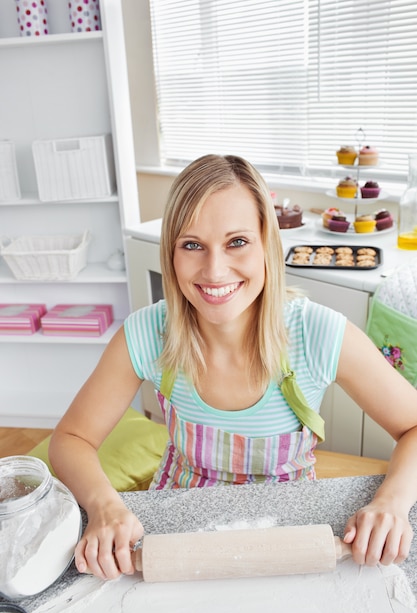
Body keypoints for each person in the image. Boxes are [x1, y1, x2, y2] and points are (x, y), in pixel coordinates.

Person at [49, 154, 417, 581]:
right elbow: (71, 438)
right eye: (192, 245)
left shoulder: (318, 333)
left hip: (290, 529)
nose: (214, 269)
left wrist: (392, 502)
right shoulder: (148, 333)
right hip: (177, 526)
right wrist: (105, 506)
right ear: (171, 254)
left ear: (267, 244)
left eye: (237, 242)